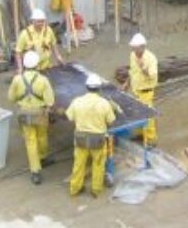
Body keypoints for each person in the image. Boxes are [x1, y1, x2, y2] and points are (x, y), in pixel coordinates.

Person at [65, 74, 117, 198]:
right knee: (98, 164)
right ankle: (96, 189)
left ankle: (75, 188)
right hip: (98, 140)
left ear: (86, 87)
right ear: (99, 88)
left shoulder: (77, 101)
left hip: (81, 138)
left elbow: (69, 116)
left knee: (78, 164)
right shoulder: (104, 103)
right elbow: (111, 121)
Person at [8, 51, 55, 185]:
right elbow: (50, 101)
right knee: (42, 136)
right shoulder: (43, 80)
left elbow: (11, 98)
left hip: (24, 113)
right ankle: (43, 157)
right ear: (37, 64)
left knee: (30, 141)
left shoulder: (17, 79)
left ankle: (35, 172)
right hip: (40, 113)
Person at [128, 33, 159, 145]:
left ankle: (151, 138)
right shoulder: (132, 55)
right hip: (136, 90)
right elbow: (132, 70)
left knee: (147, 115)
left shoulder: (151, 58)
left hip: (146, 91)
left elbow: (152, 76)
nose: (135, 51)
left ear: (142, 47)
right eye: (133, 48)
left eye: (136, 48)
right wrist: (127, 83)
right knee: (137, 113)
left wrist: (142, 67)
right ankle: (140, 133)